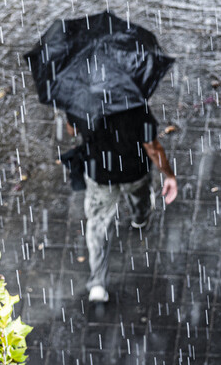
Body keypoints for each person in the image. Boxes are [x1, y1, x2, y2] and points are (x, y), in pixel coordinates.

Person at [66, 105, 178, 303]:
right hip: (134, 171)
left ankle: (98, 284)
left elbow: (72, 130)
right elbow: (152, 147)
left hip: (99, 174)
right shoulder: (133, 105)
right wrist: (169, 174)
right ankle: (140, 219)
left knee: (98, 225)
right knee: (140, 196)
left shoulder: (80, 101)